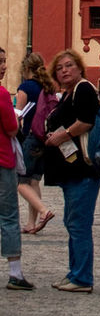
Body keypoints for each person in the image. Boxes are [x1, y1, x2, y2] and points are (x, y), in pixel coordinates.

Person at [43, 48, 100, 292]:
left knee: (79, 223)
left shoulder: (83, 89)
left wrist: (63, 135)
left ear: (79, 67)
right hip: (71, 168)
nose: (64, 70)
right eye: (59, 68)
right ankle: (74, 272)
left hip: (83, 169)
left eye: (69, 65)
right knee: (72, 221)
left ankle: (82, 278)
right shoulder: (67, 94)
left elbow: (86, 121)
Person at [1, 46, 34, 291]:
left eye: (4, 61)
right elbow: (12, 129)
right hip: (2, 160)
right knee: (9, 216)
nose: (4, 66)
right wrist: (16, 120)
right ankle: (15, 273)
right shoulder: (2, 94)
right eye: (0, 62)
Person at [15, 51, 56, 234]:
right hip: (43, 139)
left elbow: (17, 116)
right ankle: (31, 223)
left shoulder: (25, 87)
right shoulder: (46, 86)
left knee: (20, 182)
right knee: (33, 182)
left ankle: (43, 211)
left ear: (26, 68)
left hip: (30, 138)